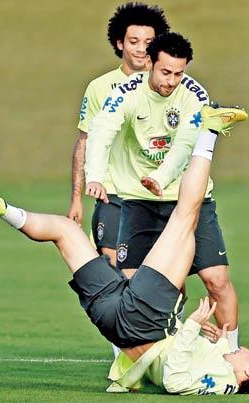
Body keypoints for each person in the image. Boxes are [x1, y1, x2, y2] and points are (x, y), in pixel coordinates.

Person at [0, 106, 249, 396]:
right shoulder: (224, 364)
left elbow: (174, 381)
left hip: (144, 320)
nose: (242, 349)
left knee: (185, 216)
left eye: (248, 354)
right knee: (65, 230)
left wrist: (192, 325)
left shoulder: (224, 383)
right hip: (113, 321)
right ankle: (4, 209)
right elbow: (190, 357)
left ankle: (207, 131)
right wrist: (212, 338)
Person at [84, 32, 240, 351]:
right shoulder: (126, 92)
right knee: (131, 285)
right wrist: (95, 175)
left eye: (178, 73)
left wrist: (160, 176)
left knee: (217, 280)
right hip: (140, 204)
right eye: (165, 72)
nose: (171, 81)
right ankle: (136, 358)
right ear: (150, 64)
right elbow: (102, 131)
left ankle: (230, 354)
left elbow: (185, 144)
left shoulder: (194, 94)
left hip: (190, 202)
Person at [68, 2, 169, 267]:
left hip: (159, 195)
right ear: (120, 43)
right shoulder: (100, 87)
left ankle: (173, 311)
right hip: (113, 195)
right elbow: (84, 143)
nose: (141, 48)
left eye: (148, 41)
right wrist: (76, 199)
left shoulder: (171, 85)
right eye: (134, 41)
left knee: (165, 274)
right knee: (113, 271)